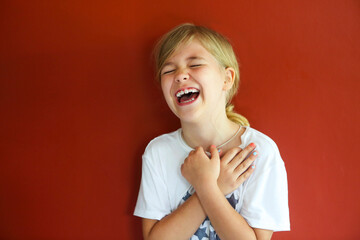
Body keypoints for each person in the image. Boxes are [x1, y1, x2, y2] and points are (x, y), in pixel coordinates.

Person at [134, 23, 290, 240]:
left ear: (226, 79)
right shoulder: (157, 152)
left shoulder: (258, 152)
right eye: (168, 70)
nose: (180, 75)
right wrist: (213, 187)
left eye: (195, 64)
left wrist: (206, 187)